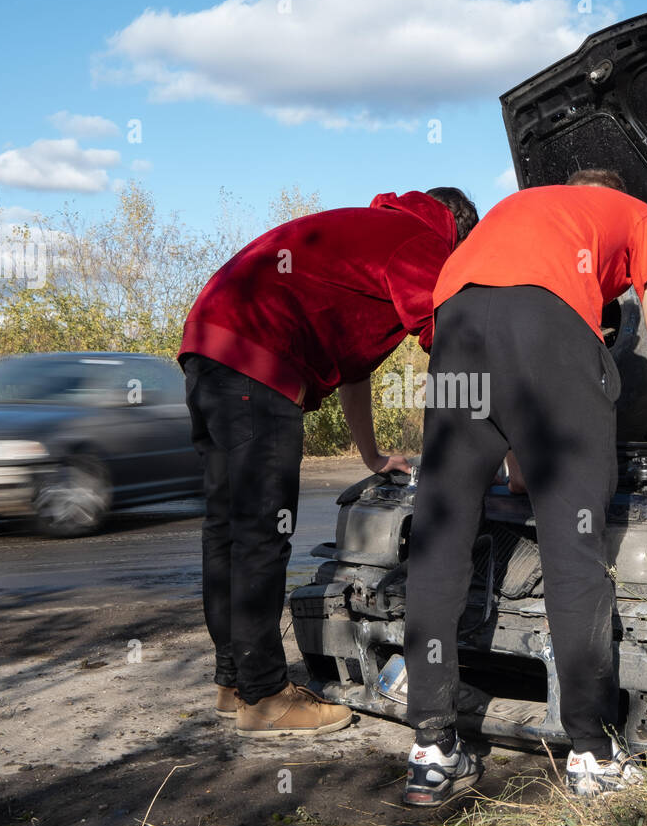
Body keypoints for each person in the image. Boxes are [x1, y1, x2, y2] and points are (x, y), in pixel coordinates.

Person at [400, 169, 647, 805]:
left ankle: (430, 747)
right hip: (546, 321)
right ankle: (592, 752)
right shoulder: (637, 212)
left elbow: (499, 381)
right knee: (573, 547)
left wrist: (519, 455)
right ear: (613, 189)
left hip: (457, 318)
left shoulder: (520, 208)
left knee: (439, 537)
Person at [178, 187, 478, 738]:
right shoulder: (424, 242)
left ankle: (234, 681)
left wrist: (370, 453)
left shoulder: (369, 237)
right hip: (256, 359)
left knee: (227, 528)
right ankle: (266, 698)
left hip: (208, 347)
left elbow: (353, 365)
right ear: (457, 232)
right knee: (261, 535)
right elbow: (453, 337)